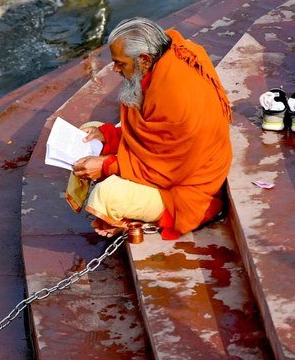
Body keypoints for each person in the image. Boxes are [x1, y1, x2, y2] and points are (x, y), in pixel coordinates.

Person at [69, 17, 232, 239]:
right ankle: (110, 199)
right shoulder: (162, 60)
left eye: (120, 63)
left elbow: (167, 169)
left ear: (144, 60)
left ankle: (116, 206)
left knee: (106, 195)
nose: (115, 69)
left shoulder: (176, 95)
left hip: (185, 190)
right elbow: (151, 138)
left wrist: (107, 166)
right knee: (88, 132)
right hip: (159, 163)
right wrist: (108, 135)